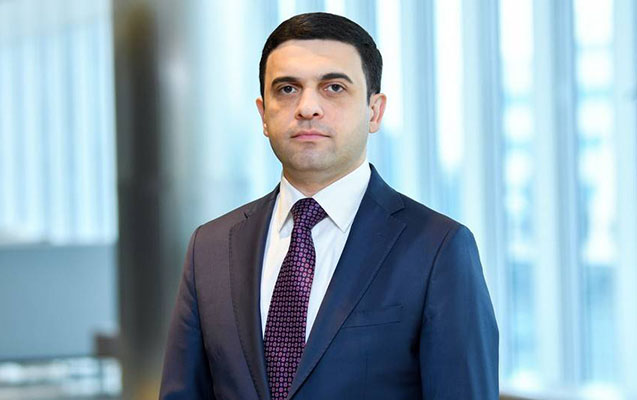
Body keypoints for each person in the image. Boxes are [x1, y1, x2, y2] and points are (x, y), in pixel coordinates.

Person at [160, 12, 498, 400]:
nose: (307, 107)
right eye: (287, 89)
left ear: (374, 111)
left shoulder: (438, 248)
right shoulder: (211, 246)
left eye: (334, 87)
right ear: (264, 115)